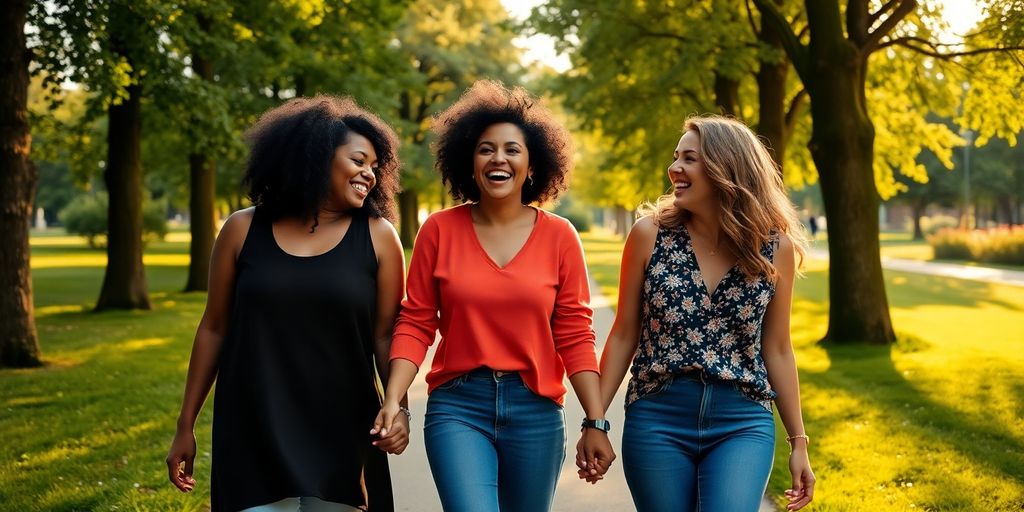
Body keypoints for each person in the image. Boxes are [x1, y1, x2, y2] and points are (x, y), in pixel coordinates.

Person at [371, 80, 614, 512]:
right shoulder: (439, 231)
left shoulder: (560, 236)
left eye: (511, 149)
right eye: (485, 148)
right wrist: (394, 400)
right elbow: (416, 321)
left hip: (535, 410)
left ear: (532, 163)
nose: (498, 158)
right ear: (469, 161)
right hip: (458, 406)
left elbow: (575, 334)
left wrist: (596, 421)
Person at [166, 96, 408, 512]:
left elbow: (386, 333)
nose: (369, 173)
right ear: (314, 158)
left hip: (343, 430)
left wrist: (397, 406)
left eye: (374, 166)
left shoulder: (379, 235)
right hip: (252, 426)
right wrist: (185, 425)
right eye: (358, 160)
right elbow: (213, 327)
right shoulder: (242, 229)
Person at [578, 115, 815, 511]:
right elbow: (623, 335)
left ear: (727, 168)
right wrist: (595, 421)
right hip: (658, 417)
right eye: (675, 158)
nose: (674, 169)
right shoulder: (648, 234)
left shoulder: (775, 249)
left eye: (690, 159)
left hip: (742, 420)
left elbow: (777, 349)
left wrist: (799, 443)